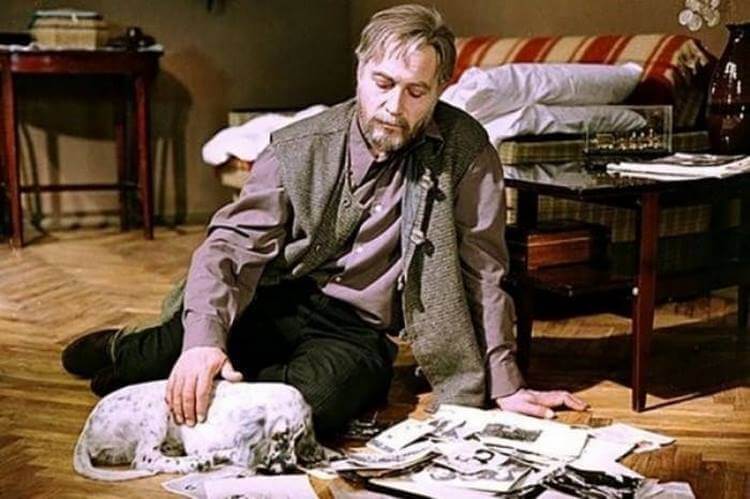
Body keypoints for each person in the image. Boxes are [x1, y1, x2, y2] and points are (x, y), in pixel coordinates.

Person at [62, 4, 588, 436]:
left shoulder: (468, 151)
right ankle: (131, 350)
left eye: (416, 91)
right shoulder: (300, 144)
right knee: (185, 342)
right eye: (383, 82)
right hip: (279, 297)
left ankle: (203, 383)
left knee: (316, 404)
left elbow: (484, 269)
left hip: (357, 330)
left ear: (439, 89)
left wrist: (505, 382)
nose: (394, 105)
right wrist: (202, 343)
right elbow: (231, 246)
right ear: (359, 71)